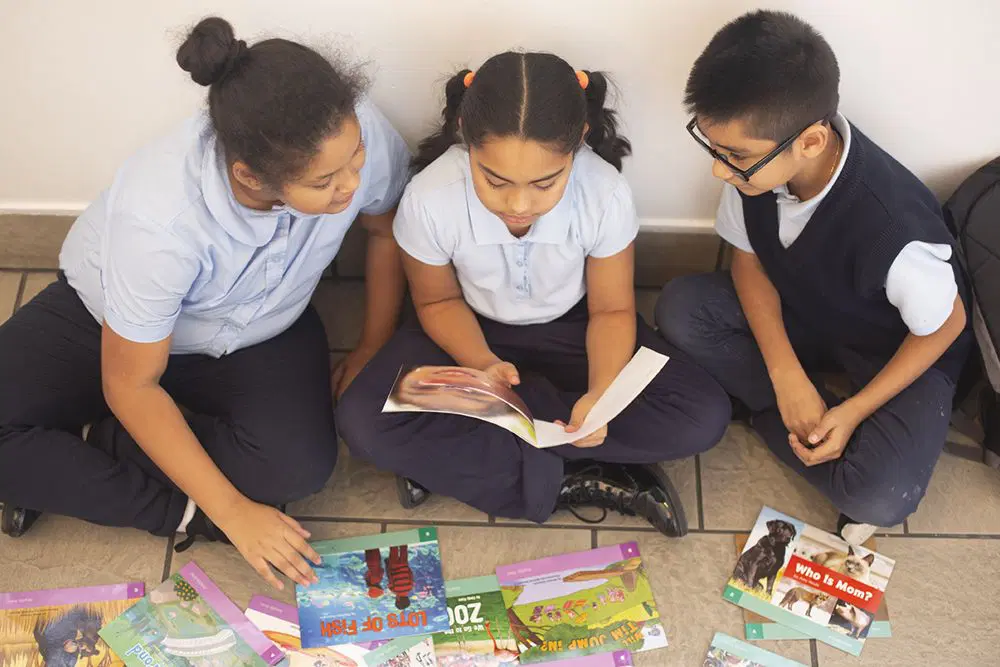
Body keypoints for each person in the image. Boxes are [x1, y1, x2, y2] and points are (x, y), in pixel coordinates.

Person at [0, 17, 411, 589]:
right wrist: (230, 514)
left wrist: (372, 343)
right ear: (250, 176)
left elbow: (387, 231)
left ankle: (98, 448)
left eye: (356, 159)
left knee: (298, 469)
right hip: (103, 319)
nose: (349, 187)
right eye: (323, 184)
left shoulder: (350, 127)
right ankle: (178, 508)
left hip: (262, 326)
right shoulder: (160, 219)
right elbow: (132, 384)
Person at [337, 51, 732, 537]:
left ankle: (476, 451)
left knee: (702, 414)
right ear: (465, 135)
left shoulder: (603, 193)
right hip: (465, 334)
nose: (519, 205)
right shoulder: (429, 197)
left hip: (575, 329)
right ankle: (574, 475)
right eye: (494, 180)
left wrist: (601, 391)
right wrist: (481, 363)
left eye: (546, 183)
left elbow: (611, 309)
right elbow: (436, 303)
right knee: (362, 420)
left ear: (579, 141)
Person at [655, 11, 973, 545]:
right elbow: (748, 260)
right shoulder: (757, 170)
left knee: (878, 496)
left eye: (736, 157)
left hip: (895, 346)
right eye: (715, 150)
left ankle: (804, 418)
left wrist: (852, 412)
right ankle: (790, 407)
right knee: (681, 309)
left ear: (810, 142)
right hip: (809, 311)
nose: (719, 170)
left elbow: (946, 328)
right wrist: (788, 378)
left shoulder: (893, 232)